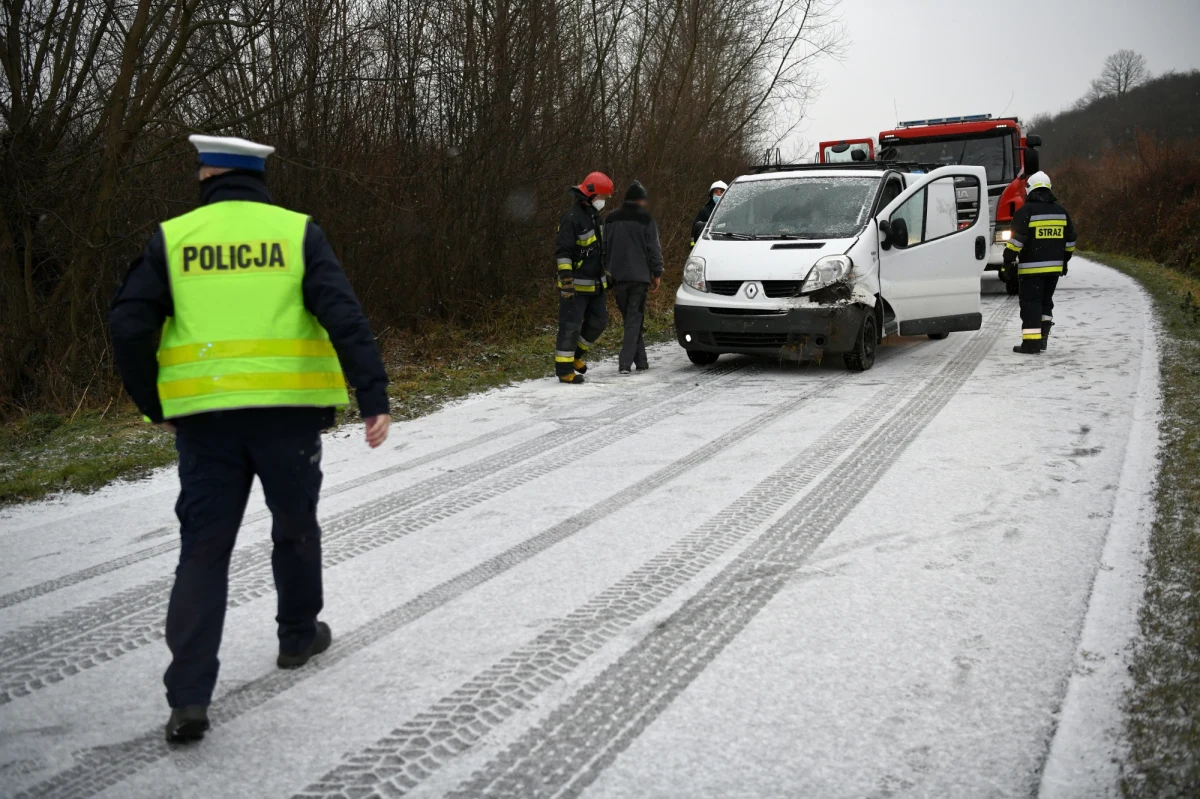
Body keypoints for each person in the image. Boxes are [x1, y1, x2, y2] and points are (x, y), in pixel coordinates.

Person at [108, 135, 391, 744]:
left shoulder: (174, 237)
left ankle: (188, 698)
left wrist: (154, 403)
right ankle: (296, 637)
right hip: (287, 417)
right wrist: (374, 397)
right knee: (294, 526)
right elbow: (344, 314)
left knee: (203, 552)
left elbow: (128, 324)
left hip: (206, 424)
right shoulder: (296, 233)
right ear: (257, 176)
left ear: (209, 173)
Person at [1003, 171, 1077, 354]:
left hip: (1031, 270)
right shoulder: (1061, 212)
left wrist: (1007, 262)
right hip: (1054, 270)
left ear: (1029, 190)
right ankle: (1042, 340)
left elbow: (1015, 242)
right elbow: (1070, 241)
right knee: (1045, 303)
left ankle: (1031, 343)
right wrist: (1064, 261)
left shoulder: (1025, 212)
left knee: (1030, 304)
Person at [554, 172, 612, 384]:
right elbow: (564, 253)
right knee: (570, 326)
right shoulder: (571, 218)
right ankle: (564, 370)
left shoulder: (594, 216)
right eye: (602, 197)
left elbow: (596, 250)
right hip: (575, 285)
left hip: (595, 283)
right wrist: (566, 282)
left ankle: (575, 356)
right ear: (590, 195)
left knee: (599, 322)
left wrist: (604, 274)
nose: (603, 202)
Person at [604, 181, 664, 374]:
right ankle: (625, 363)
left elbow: (605, 247)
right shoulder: (646, 219)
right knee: (633, 319)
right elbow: (653, 248)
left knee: (630, 319)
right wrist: (657, 273)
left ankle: (642, 361)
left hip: (617, 276)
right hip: (639, 277)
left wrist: (605, 271)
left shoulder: (611, 219)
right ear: (640, 200)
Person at [691, 180, 728, 247]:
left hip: (728, 243)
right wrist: (693, 244)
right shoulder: (704, 211)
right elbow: (695, 230)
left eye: (721, 192)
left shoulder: (731, 211)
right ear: (711, 195)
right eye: (716, 192)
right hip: (708, 244)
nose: (719, 194)